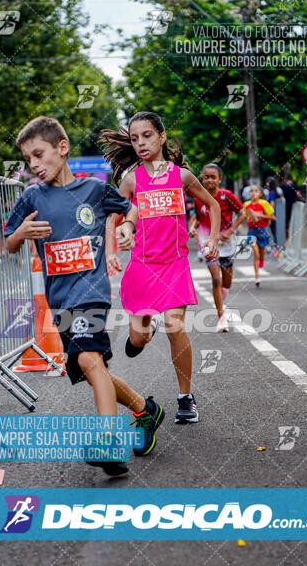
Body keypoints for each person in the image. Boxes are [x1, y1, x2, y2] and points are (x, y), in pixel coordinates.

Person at [4, 116, 164, 477]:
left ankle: (109, 442)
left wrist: (126, 226)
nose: (34, 165)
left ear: (62, 149)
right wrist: (21, 234)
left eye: (39, 154)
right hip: (59, 300)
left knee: (91, 360)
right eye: (28, 159)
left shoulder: (93, 189)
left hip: (91, 293)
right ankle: (144, 410)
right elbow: (8, 241)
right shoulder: (31, 197)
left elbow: (130, 208)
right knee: (94, 371)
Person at [101, 111, 220, 424]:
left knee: (175, 325)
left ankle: (185, 398)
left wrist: (214, 240)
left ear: (162, 137)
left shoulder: (181, 176)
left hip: (175, 263)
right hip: (142, 266)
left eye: (147, 136)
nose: (140, 143)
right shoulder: (131, 180)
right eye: (135, 138)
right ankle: (146, 328)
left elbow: (213, 205)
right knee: (138, 339)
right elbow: (113, 216)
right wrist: (112, 250)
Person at [189, 161, 244, 332]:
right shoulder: (199, 198)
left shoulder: (226, 196)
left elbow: (242, 213)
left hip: (226, 243)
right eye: (206, 177)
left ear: (219, 179)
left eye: (213, 177)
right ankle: (221, 317)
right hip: (207, 242)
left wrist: (231, 230)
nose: (209, 180)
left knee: (226, 282)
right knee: (215, 278)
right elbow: (197, 218)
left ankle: (222, 292)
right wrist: (192, 227)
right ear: (202, 179)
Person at [243, 185, 277, 287]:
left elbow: (273, 218)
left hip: (262, 231)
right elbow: (244, 217)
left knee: (261, 253)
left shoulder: (264, 204)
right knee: (256, 253)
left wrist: (260, 215)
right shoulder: (246, 205)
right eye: (251, 191)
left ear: (260, 194)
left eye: (256, 191)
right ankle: (257, 277)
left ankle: (262, 260)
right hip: (251, 231)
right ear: (249, 194)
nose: (254, 193)